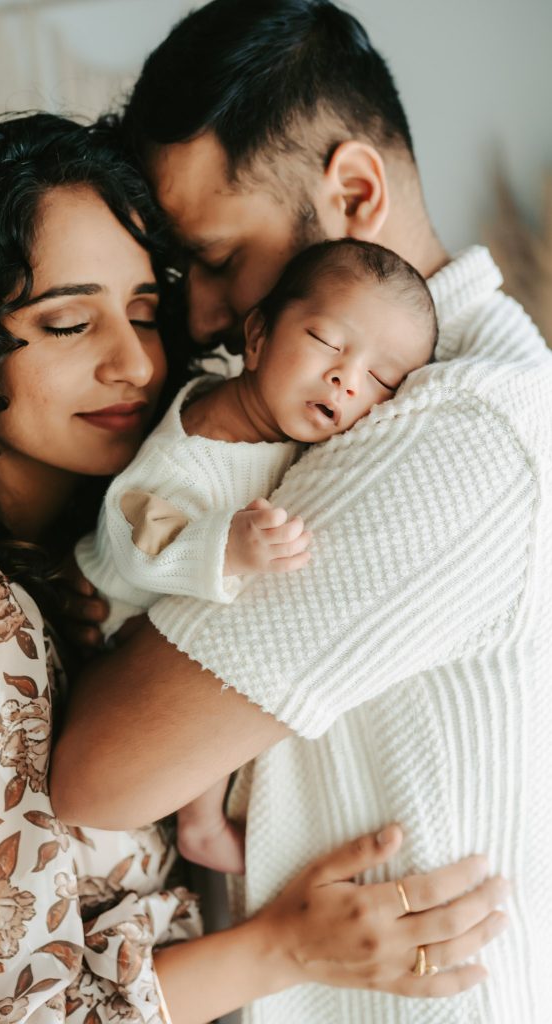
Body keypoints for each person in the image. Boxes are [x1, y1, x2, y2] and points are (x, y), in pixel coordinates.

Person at [0, 112, 500, 1024]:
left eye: (142, 314)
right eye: (69, 322)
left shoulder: (66, 569)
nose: (131, 362)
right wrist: (284, 947)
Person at [50, 2, 552, 1022]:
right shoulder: (348, 412)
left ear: (354, 190)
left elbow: (98, 770)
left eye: (224, 259)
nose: (196, 318)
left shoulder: (457, 435)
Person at [73, 239, 438, 875]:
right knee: (212, 671)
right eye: (327, 341)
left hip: (163, 628)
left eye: (383, 379)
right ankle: (200, 823)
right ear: (259, 335)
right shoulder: (200, 446)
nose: (347, 378)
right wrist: (227, 546)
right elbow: (134, 538)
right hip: (108, 623)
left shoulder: (277, 423)